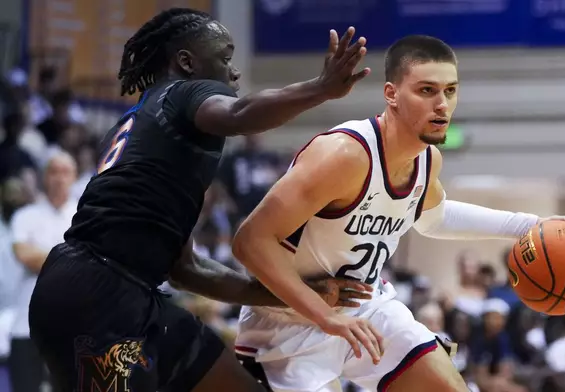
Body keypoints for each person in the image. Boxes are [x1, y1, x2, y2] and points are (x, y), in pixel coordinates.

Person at [28, 8, 373, 392]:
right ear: (187, 62)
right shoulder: (182, 93)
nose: (234, 72)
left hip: (119, 291)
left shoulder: (149, 125)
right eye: (225, 58)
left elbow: (187, 269)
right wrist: (321, 88)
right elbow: (239, 113)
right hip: (96, 294)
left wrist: (293, 294)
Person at [232, 35, 565, 392]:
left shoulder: (427, 160)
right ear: (392, 94)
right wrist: (325, 317)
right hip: (288, 322)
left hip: (367, 308)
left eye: (450, 91)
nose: (442, 104)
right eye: (427, 90)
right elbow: (250, 242)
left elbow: (434, 217)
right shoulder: (344, 155)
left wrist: (530, 226)